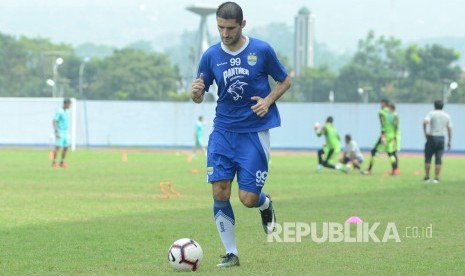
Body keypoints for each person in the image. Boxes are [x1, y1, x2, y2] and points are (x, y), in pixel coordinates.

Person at [190, 2, 291, 268]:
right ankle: (231, 253)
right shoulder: (211, 55)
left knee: (247, 199)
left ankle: (265, 204)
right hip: (222, 132)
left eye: (230, 28)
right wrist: (196, 93)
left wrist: (268, 100)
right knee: (220, 192)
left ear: (242, 25)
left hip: (253, 134)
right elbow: (198, 95)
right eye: (220, 27)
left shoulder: (261, 50)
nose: (225, 33)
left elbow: (285, 80)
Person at [362, 99, 400, 175]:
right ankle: (395, 169)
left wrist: (383, 136)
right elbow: (396, 126)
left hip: (385, 135)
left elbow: (383, 125)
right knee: (391, 153)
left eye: (381, 103)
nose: (380, 105)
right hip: (392, 135)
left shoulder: (381, 113)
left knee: (374, 151)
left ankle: (369, 170)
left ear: (384, 104)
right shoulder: (394, 113)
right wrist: (395, 137)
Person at [423, 100, 452, 184]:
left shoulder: (431, 113)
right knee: (438, 159)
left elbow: (425, 122)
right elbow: (449, 128)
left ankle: (427, 177)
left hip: (432, 137)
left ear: (434, 106)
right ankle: (436, 178)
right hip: (441, 138)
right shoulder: (447, 115)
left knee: (428, 158)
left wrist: (425, 132)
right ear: (442, 106)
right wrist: (449, 141)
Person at [52, 98, 71, 168]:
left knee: (66, 147)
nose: (69, 106)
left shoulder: (66, 112)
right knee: (58, 147)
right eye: (68, 104)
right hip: (60, 131)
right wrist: (56, 131)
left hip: (65, 132)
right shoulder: (59, 111)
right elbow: (54, 121)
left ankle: (62, 162)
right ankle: (54, 162)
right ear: (65, 104)